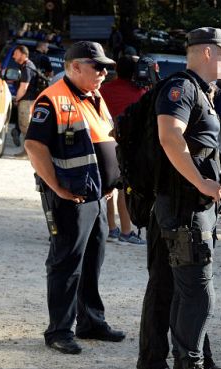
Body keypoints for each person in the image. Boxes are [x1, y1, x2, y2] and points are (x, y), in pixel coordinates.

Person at [153, 27, 221, 369]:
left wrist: (217, 194)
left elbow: (205, 151)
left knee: (186, 293)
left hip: (196, 205)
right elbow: (170, 136)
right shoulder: (181, 88)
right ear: (207, 52)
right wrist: (199, 182)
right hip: (185, 207)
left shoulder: (200, 91)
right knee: (199, 296)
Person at [24, 41, 125, 355]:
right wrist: (56, 188)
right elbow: (34, 146)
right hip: (70, 198)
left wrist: (111, 181)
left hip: (95, 197)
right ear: (75, 66)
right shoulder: (52, 99)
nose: (104, 73)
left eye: (106, 67)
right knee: (66, 262)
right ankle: (59, 330)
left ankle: (91, 322)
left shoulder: (93, 96)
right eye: (97, 67)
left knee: (93, 260)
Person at [99, 55, 147, 245]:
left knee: (109, 187)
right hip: (130, 146)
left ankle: (111, 228)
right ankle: (127, 232)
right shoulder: (141, 93)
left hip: (105, 143)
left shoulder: (103, 90)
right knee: (125, 189)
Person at [11, 45, 40, 149]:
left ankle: (28, 153)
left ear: (23, 54)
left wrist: (16, 99)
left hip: (27, 101)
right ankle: (27, 152)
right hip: (27, 100)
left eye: (16, 53)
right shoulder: (26, 66)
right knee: (24, 126)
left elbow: (24, 87)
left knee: (25, 127)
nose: (13, 56)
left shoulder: (27, 67)